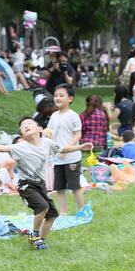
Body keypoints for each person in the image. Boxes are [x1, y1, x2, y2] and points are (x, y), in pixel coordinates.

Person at [0, 117, 93, 250]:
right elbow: (2, 147)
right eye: (23, 127)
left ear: (40, 129)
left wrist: (80, 147)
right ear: (22, 134)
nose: (26, 126)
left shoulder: (47, 143)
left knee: (52, 215)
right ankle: (34, 235)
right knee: (42, 207)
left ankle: (41, 239)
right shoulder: (20, 147)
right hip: (26, 185)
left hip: (40, 185)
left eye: (29, 124)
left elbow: (62, 149)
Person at [49, 85, 85, 215]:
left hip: (71, 158)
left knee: (75, 186)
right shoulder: (53, 116)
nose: (57, 98)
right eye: (56, 95)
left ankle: (82, 211)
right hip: (57, 158)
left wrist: (65, 149)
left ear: (70, 98)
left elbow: (78, 135)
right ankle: (63, 213)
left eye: (61, 95)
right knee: (59, 188)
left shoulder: (73, 116)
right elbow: (50, 134)